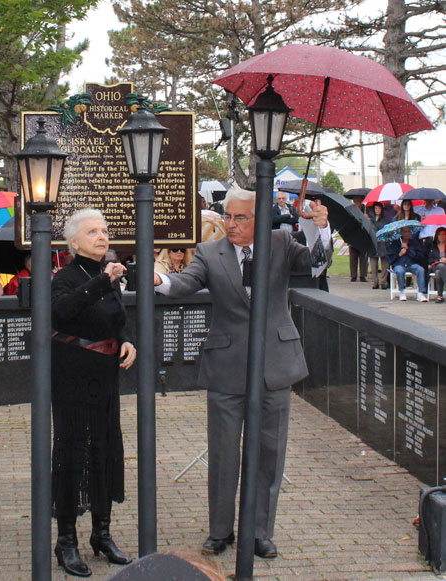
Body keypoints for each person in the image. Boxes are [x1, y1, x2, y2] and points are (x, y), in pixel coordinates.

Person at [153, 187, 330, 559]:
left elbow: (314, 266)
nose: (230, 225)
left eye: (240, 218)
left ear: (259, 218)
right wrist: (159, 281)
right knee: (222, 454)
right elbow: (185, 282)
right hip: (226, 368)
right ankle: (221, 531)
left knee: (269, 452)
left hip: (275, 366)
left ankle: (259, 532)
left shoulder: (280, 242)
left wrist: (317, 228)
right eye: (227, 217)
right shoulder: (209, 252)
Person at [51, 208, 137, 577]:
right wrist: (103, 280)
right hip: (73, 378)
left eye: (104, 231)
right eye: (92, 232)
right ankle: (66, 540)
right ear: (74, 241)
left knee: (105, 450)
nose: (102, 237)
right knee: (73, 453)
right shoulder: (65, 277)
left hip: (105, 378)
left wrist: (126, 340)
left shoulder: (108, 277)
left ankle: (101, 534)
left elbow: (115, 318)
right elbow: (64, 312)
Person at [386, 225, 427, 302]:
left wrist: (408, 250)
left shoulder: (414, 242)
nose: (408, 233)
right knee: (399, 271)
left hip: (411, 264)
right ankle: (402, 291)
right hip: (399, 264)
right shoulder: (395, 243)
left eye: (409, 231)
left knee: (420, 269)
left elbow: (420, 257)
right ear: (401, 233)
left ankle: (421, 292)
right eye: (405, 231)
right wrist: (399, 254)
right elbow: (390, 259)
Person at [367, 202, 391, 289]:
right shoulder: (371, 220)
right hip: (373, 243)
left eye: (379, 208)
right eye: (376, 209)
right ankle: (375, 281)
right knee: (373, 264)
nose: (377, 210)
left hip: (383, 243)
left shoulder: (385, 220)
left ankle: (383, 281)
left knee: (385, 263)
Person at [348, 195, 368, 282]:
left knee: (363, 257)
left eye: (358, 201)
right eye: (355, 201)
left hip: (363, 236)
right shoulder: (350, 210)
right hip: (353, 235)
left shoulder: (366, 210)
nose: (356, 202)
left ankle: (363, 275)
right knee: (353, 257)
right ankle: (353, 275)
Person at [428, 227, 446, 303]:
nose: (441, 236)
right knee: (441, 266)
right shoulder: (433, 246)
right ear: (436, 236)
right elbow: (430, 260)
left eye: (444, 234)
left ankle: (440, 296)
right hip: (436, 265)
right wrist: (439, 260)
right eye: (439, 235)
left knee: (438, 273)